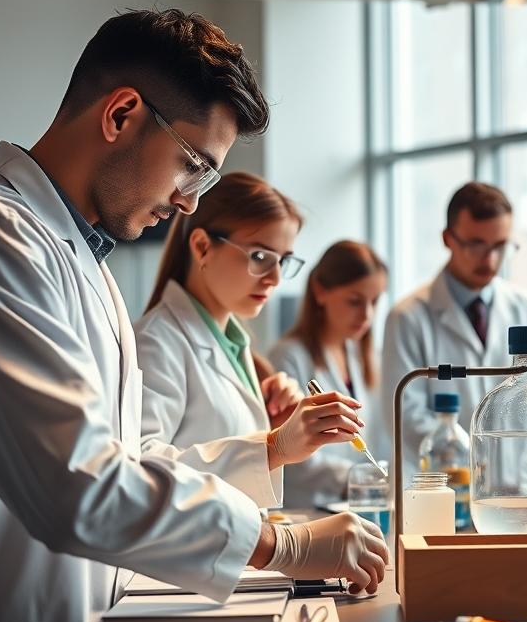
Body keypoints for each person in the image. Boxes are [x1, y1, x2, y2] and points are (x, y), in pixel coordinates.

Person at [0, 10, 386, 622]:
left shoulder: (83, 262)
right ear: (122, 114)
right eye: (193, 164)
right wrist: (276, 545)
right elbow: (77, 485)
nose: (191, 201)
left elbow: (130, 460)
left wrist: (266, 459)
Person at [136, 173, 366, 500]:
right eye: (260, 256)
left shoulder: (233, 345)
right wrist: (273, 447)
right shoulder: (155, 343)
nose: (274, 278)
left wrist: (272, 426)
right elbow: (141, 472)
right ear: (202, 247)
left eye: (283, 261)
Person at [382, 182, 527, 484]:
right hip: (444, 488)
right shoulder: (407, 318)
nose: (490, 260)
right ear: (448, 239)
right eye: (476, 245)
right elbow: (406, 417)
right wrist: (468, 458)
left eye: (500, 246)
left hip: (522, 486)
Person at [268, 241, 389, 507]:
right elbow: (290, 449)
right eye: (355, 301)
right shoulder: (288, 357)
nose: (367, 314)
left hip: (354, 503)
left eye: (374, 301)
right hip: (307, 508)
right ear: (320, 291)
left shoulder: (362, 356)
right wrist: (361, 477)